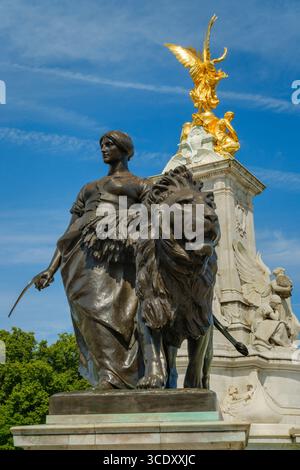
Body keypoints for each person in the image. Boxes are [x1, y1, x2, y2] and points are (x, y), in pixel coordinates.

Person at [34, 131, 149, 389]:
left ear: (124, 149)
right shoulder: (87, 187)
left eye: (110, 144)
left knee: (112, 313)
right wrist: (50, 269)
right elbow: (68, 232)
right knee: (87, 313)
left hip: (117, 259)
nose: (104, 149)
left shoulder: (141, 184)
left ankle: (118, 377)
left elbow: (152, 222)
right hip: (80, 258)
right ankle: (104, 374)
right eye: (102, 145)